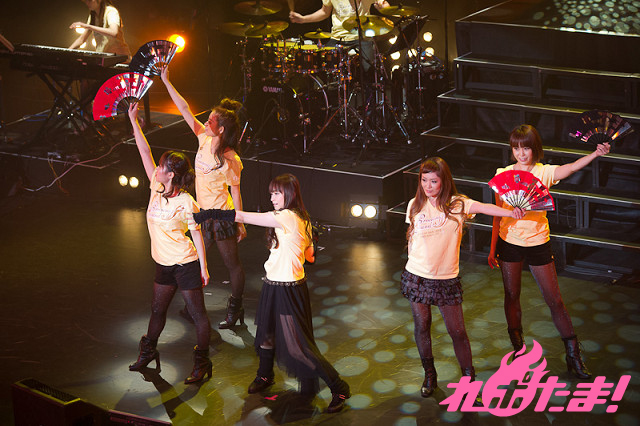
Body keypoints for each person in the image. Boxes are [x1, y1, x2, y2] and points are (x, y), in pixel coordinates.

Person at [193, 173, 351, 413]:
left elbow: (242, 216)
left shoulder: (287, 216)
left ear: (290, 194)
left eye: (277, 193)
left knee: (298, 346)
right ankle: (265, 375)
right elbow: (310, 257)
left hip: (288, 289)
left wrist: (208, 214)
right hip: (274, 285)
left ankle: (339, 387)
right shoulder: (301, 217)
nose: (272, 198)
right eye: (271, 193)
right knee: (266, 335)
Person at [488, 124, 610, 379]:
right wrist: (492, 249)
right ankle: (518, 352)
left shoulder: (544, 172)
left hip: (538, 242)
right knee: (512, 295)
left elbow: (571, 168)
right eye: (516, 148)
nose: (521, 153)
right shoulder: (503, 174)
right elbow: (496, 215)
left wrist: (595, 154)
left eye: (526, 148)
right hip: (509, 241)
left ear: (535, 148)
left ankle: (573, 356)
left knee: (554, 300)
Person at [403, 157, 524, 400]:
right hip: (417, 276)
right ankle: (429, 375)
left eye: (433, 181)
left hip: (446, 279)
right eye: (424, 180)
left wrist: (511, 212)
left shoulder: (458, 204)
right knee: (422, 326)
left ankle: (469, 381)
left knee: (457, 332)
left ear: (444, 181)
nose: (428, 186)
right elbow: (412, 236)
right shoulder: (414, 205)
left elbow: (485, 207)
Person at [126, 102, 212, 385]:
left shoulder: (187, 202)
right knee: (157, 310)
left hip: (185, 264)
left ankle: (202, 363)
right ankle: (148, 351)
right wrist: (134, 121)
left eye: (162, 167)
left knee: (198, 315)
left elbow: (197, 234)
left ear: (171, 174)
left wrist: (203, 267)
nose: (158, 169)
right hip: (163, 264)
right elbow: (144, 151)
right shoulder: (156, 186)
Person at [161, 67, 247, 329]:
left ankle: (235, 307)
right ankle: (194, 307)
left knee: (232, 264)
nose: (205, 123)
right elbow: (184, 109)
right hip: (201, 213)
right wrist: (166, 80)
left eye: (210, 121)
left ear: (220, 130)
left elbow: (235, 192)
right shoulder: (202, 138)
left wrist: (240, 222)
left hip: (221, 217)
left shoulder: (231, 159)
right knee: (194, 262)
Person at [289, 0, 390, 74]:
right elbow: (324, 12)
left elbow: (384, 4)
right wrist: (303, 19)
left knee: (370, 72)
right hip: (338, 38)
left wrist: (383, 8)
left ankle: (369, 95)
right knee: (325, 68)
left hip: (362, 37)